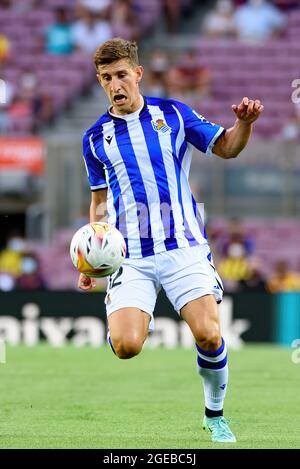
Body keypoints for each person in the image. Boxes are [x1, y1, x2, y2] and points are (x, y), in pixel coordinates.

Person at [78, 38, 264, 443]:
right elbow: (98, 204)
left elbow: (227, 147)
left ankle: (214, 415)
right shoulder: (95, 138)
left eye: (122, 74)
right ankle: (119, 312)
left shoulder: (173, 114)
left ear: (138, 74)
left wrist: (244, 124)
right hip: (131, 258)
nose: (116, 84)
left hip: (183, 247)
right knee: (127, 347)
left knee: (210, 334)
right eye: (107, 78)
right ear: (100, 81)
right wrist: (91, 258)